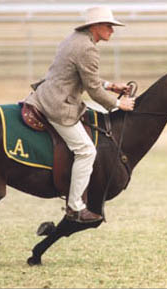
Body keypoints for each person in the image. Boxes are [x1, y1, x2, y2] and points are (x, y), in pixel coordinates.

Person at [24, 6, 136, 223]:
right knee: (86, 151)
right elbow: (93, 89)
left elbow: (84, 76)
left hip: (45, 95)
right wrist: (119, 104)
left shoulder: (74, 39)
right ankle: (75, 207)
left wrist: (110, 85)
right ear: (95, 27)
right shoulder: (88, 49)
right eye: (108, 26)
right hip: (58, 104)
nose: (112, 30)